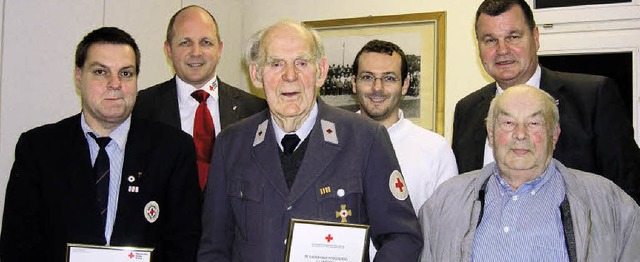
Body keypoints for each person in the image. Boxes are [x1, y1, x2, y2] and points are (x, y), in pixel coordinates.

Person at [197, 20, 422, 261]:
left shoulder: (365, 139)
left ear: (321, 71)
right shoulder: (231, 145)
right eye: (276, 64)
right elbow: (214, 249)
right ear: (256, 74)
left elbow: (402, 237)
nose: (290, 75)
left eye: (301, 63)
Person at [0, 27, 201, 261]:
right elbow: (16, 247)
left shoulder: (173, 150)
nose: (115, 84)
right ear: (78, 76)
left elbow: (185, 246)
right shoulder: (39, 149)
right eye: (100, 72)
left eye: (126, 73)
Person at [421, 84, 640, 261]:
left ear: (554, 134)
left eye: (534, 123)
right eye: (507, 122)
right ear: (490, 133)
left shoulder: (607, 201)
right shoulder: (446, 200)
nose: (520, 134)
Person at [452, 0, 640, 202]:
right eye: (490, 40)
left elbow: (630, 192)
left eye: (513, 37)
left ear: (535, 37)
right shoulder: (467, 111)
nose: (502, 50)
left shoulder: (592, 99)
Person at [133, 5, 267, 190]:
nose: (196, 52)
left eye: (206, 42)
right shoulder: (140, 108)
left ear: (219, 49)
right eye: (185, 42)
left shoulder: (256, 110)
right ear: (169, 50)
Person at [351, 39, 458, 261]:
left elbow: (446, 232)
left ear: (406, 84)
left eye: (389, 78)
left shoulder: (435, 149)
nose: (377, 88)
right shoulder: (331, 142)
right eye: (367, 77)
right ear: (353, 83)